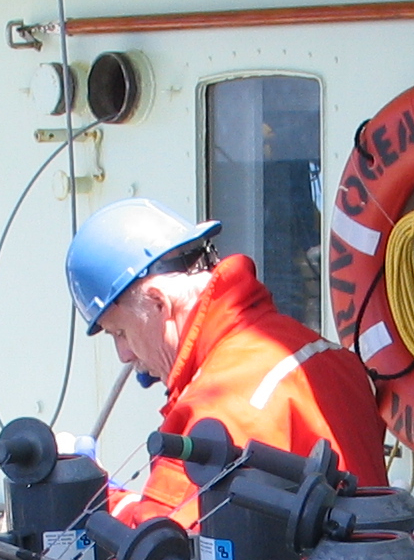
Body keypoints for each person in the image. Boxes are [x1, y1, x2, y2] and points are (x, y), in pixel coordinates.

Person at [62, 198, 390, 526]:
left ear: (160, 303)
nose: (124, 354)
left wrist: (89, 495)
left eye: (120, 332)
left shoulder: (218, 403)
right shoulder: (321, 353)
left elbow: (158, 543)